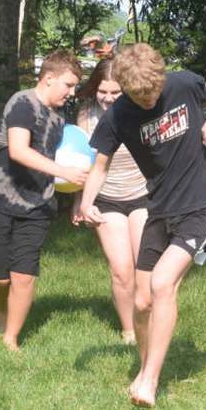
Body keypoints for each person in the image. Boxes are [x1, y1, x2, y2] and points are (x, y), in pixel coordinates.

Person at [79, 43, 206, 408]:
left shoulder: (183, 84)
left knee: (162, 285)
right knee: (142, 301)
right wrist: (85, 202)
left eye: (152, 94)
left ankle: (150, 381)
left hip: (200, 205)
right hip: (159, 210)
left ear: (162, 79)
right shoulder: (118, 117)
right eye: (138, 97)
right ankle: (145, 367)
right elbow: (99, 167)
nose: (147, 102)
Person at [0, 50, 88, 352]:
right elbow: (19, 151)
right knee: (1, 277)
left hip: (37, 203)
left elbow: (69, 161)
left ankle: (11, 338)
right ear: (48, 79)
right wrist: (64, 171)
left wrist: (76, 197)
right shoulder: (23, 102)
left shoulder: (60, 121)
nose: (71, 92)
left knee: (23, 275)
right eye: (68, 84)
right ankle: (0, 308)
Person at [71, 59, 149, 345]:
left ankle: (150, 318)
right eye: (103, 91)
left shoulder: (141, 110)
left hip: (143, 194)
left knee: (145, 264)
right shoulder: (87, 113)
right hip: (106, 197)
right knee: (120, 268)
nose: (107, 98)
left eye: (115, 93)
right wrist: (80, 200)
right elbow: (84, 160)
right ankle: (129, 330)